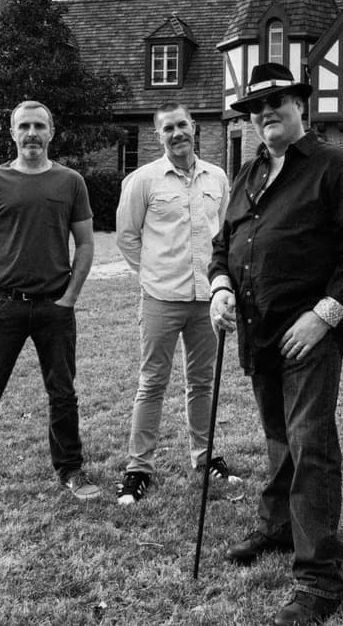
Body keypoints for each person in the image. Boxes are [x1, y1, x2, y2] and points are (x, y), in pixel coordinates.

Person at [209, 62, 343, 626]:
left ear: (299, 105)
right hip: (257, 331)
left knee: (311, 445)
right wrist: (221, 287)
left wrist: (321, 319)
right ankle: (279, 526)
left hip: (308, 337)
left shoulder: (335, 167)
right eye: (255, 107)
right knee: (279, 437)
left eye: (276, 101)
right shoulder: (248, 173)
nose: (265, 113)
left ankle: (320, 579)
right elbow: (223, 246)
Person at [0, 100, 100, 516]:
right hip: (2, 306)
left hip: (55, 306)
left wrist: (70, 297)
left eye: (39, 126)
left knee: (63, 393)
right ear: (12, 132)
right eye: (24, 126)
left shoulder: (70, 182)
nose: (32, 133)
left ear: (51, 132)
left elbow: (86, 243)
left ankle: (71, 470)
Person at [114, 102, 239, 505]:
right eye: (167, 128)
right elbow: (127, 236)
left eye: (182, 124)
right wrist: (152, 274)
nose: (177, 133)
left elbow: (226, 237)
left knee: (202, 383)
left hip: (207, 300)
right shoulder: (143, 180)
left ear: (194, 127)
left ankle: (206, 458)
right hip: (161, 298)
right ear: (159, 135)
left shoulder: (217, 177)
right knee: (152, 383)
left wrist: (221, 285)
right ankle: (138, 468)